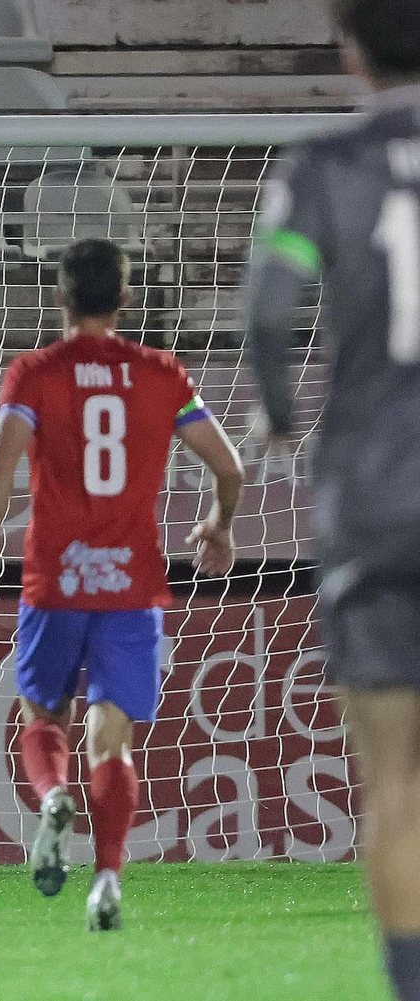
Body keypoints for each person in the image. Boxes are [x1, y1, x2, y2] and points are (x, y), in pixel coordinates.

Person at [0, 238, 244, 932]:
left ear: (60, 297)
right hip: (131, 586)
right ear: (125, 298)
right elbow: (230, 467)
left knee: (41, 716)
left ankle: (53, 794)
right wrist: (219, 524)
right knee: (110, 739)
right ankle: (108, 877)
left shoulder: (36, 373)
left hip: (56, 578)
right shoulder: (161, 374)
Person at [243, 1, 420, 995]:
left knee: (395, 782)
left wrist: (275, 413)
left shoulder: (322, 166)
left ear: (350, 49)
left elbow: (270, 309)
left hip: (376, 494)